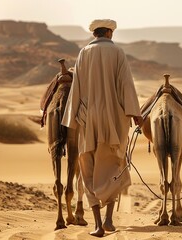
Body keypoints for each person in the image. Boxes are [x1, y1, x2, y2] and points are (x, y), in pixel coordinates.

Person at [62, 19, 143, 237]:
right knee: (114, 166)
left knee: (87, 167)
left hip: (88, 119)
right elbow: (126, 83)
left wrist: (72, 119)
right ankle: (108, 219)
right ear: (109, 32)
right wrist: (136, 114)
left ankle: (97, 224)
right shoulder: (117, 53)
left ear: (95, 33)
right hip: (113, 120)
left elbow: (76, 88)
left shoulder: (83, 53)